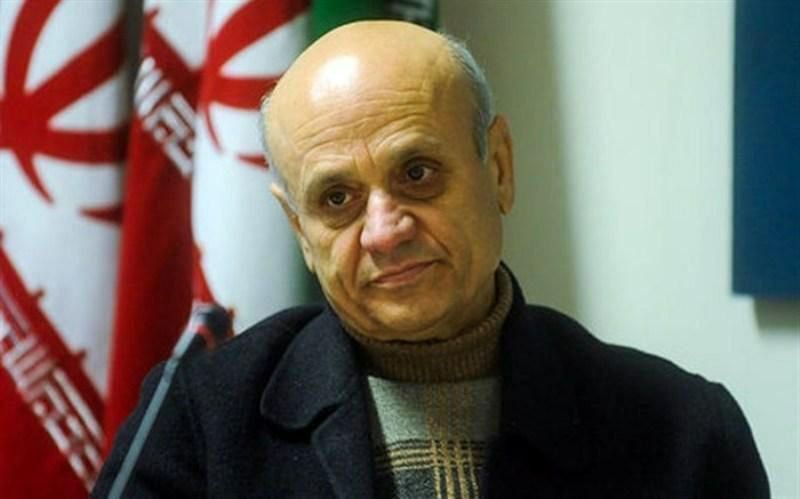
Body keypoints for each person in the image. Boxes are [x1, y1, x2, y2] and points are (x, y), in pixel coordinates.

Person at [93, 21, 769, 498]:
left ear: (498, 168)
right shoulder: (199, 421)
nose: (384, 232)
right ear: (299, 229)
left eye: (416, 173)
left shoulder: (683, 429)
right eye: (337, 199)